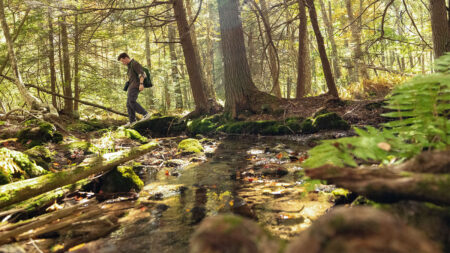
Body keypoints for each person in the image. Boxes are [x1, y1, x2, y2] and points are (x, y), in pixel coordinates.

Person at [117, 52, 151, 127]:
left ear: (126, 58)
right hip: (131, 86)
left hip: (136, 86)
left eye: (123, 61)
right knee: (128, 104)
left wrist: (141, 84)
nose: (123, 63)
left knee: (132, 101)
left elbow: (142, 74)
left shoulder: (134, 63)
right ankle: (132, 121)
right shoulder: (129, 66)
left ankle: (146, 114)